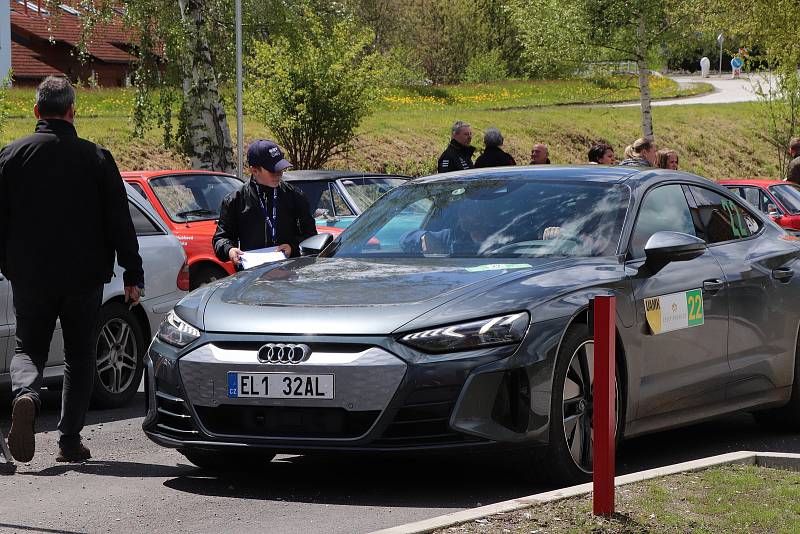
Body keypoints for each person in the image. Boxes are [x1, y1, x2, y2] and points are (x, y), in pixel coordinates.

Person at [0, 76, 144, 463]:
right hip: (84, 276)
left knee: (28, 347)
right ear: (72, 111)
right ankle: (68, 441)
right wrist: (133, 274)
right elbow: (120, 221)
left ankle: (27, 394)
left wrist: (6, 263)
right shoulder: (96, 158)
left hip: (30, 274)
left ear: (35, 112)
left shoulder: (10, 156)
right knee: (79, 355)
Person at [213, 140, 317, 268]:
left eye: (281, 169)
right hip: (252, 278)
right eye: (273, 170)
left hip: (289, 276)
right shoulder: (235, 200)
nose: (279, 174)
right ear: (254, 171)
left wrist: (293, 247)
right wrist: (229, 250)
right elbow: (220, 239)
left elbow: (311, 237)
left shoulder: (295, 195)